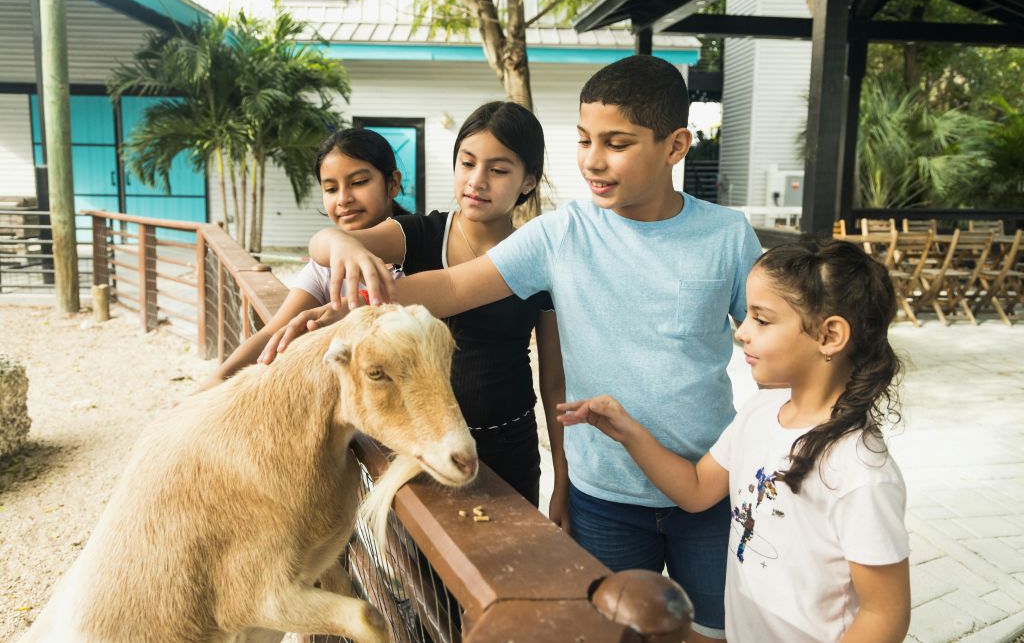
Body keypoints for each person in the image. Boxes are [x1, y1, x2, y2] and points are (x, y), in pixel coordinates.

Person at [291, 55, 762, 642]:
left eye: (616, 143)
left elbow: (772, 340)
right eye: (585, 139)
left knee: (712, 632)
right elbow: (450, 287)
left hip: (709, 487)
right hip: (603, 494)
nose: (593, 159)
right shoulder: (561, 233)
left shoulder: (727, 235)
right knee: (606, 632)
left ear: (675, 146)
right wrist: (349, 305)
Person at [559, 239, 912, 643]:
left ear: (829, 335)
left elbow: (884, 614)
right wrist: (630, 433)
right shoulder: (761, 410)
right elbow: (694, 491)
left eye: (761, 320)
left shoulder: (860, 471)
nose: (742, 332)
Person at [265, 101, 565, 509]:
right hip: (420, 437)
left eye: (498, 170)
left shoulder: (536, 257)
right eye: (467, 163)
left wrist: (562, 478)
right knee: (420, 567)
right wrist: (340, 245)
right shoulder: (422, 234)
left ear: (528, 181)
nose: (477, 180)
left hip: (510, 444)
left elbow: (554, 382)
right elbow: (321, 246)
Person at [199, 128, 407, 389]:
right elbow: (273, 331)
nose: (343, 199)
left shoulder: (421, 256)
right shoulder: (326, 265)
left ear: (393, 183)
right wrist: (215, 382)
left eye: (359, 182)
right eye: (331, 188)